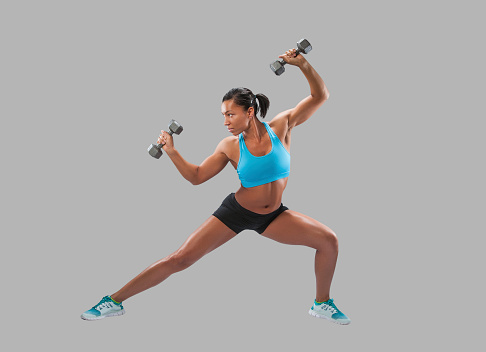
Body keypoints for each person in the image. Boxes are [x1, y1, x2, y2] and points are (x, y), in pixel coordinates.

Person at [81, 47, 351, 325]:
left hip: (273, 216)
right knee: (180, 259)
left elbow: (320, 96)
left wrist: (302, 64)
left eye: (230, 115)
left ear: (250, 111)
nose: (225, 122)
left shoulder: (281, 125)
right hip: (236, 212)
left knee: (328, 241)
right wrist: (173, 151)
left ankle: (321, 303)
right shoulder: (230, 146)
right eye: (223, 115)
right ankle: (113, 301)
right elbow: (197, 176)